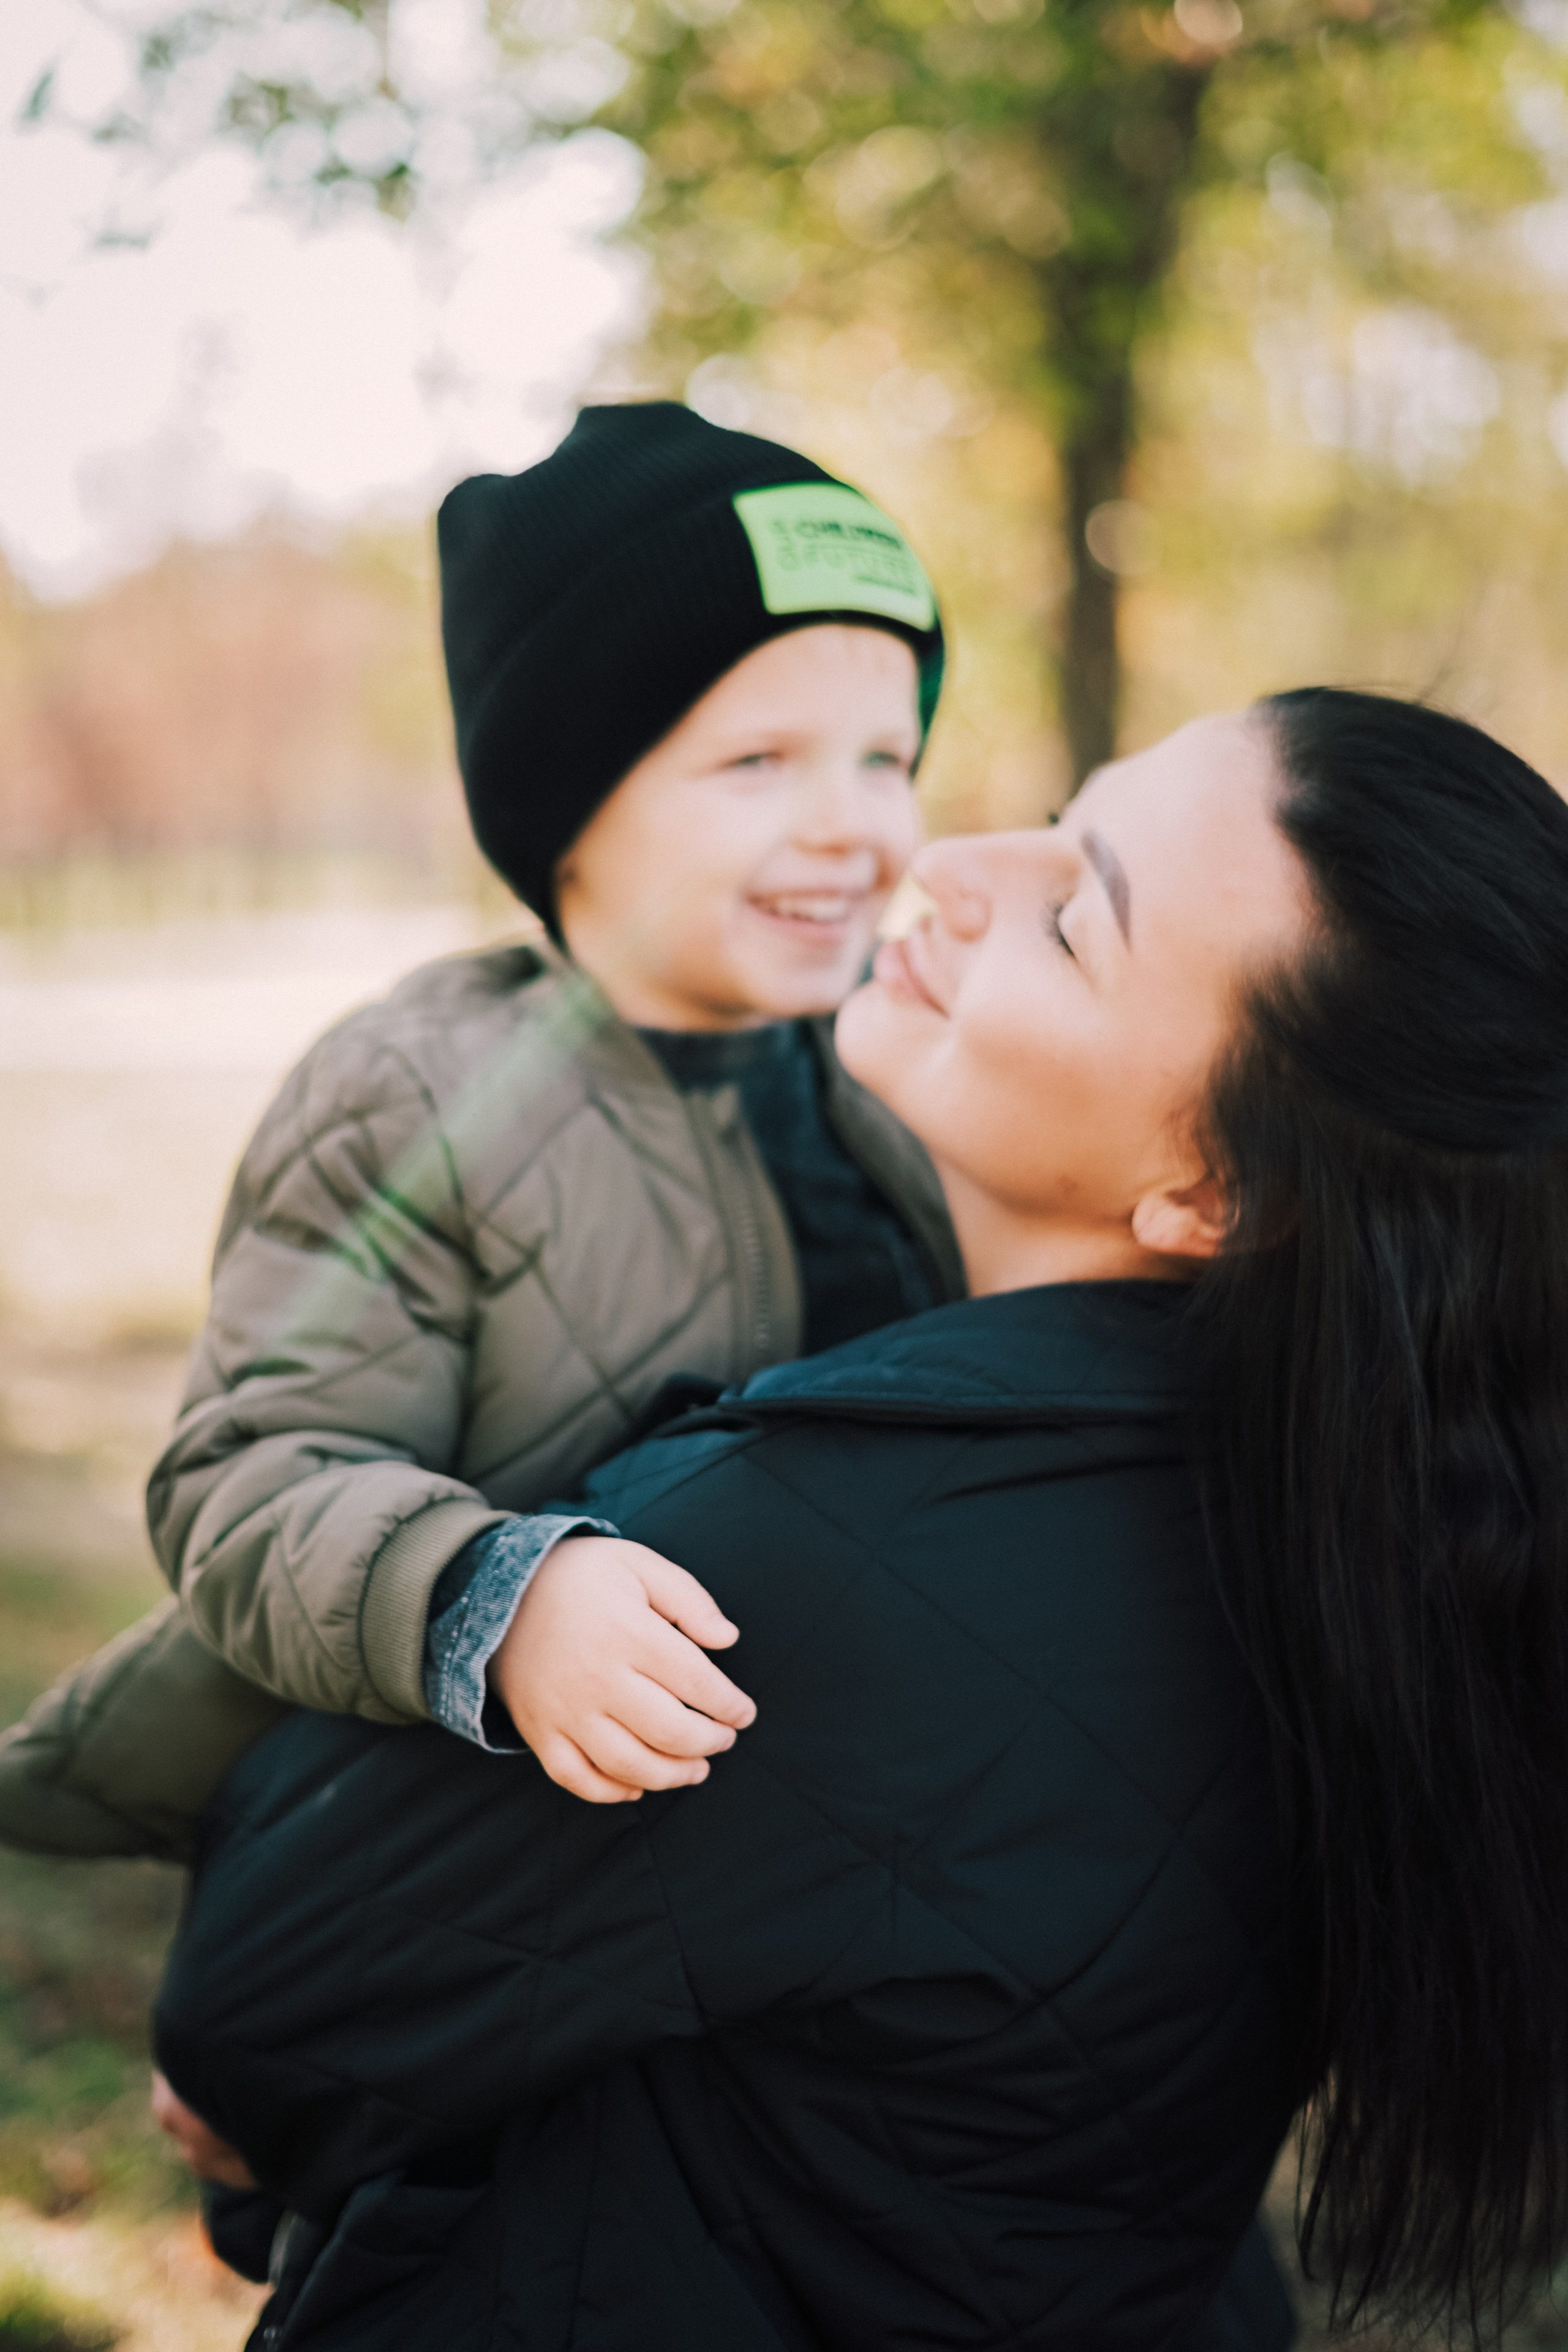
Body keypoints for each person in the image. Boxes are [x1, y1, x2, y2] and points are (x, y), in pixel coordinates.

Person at [156, 687, 1568, 2348]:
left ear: (1212, 1190)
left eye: (1069, 916)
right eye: (1061, 807)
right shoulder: (1371, 1514)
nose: (955, 862)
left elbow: (250, 2020)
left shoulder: (817, 1564)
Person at [0, 399, 962, 1860]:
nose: (853, 827)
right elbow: (250, 1477)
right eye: (757, 763)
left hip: (834, 1813)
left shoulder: (900, 1067)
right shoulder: (420, 1095)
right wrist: (491, 1596)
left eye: (885, 760)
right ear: (570, 806)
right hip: (505, 1838)